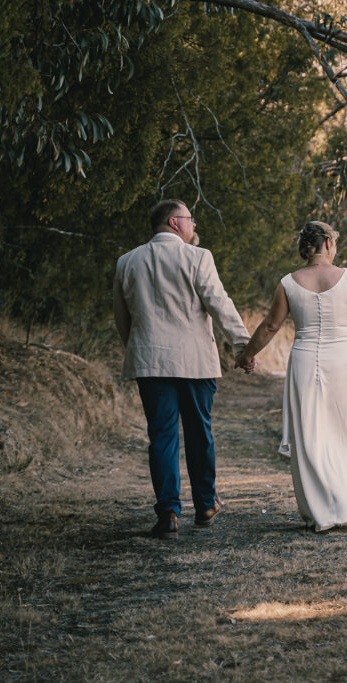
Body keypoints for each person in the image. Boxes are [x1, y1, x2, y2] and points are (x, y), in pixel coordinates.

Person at [236, 221, 347, 532]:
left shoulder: (288, 282)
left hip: (304, 359)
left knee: (312, 433)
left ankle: (324, 509)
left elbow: (271, 325)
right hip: (344, 360)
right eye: (334, 242)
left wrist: (247, 355)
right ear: (327, 242)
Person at [113, 199, 255, 539]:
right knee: (199, 432)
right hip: (194, 362)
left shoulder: (127, 261)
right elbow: (219, 303)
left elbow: (122, 318)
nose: (195, 226)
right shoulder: (198, 257)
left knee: (161, 437)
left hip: (150, 362)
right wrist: (243, 346)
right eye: (190, 219)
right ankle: (205, 504)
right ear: (175, 222)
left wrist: (138, 350)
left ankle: (168, 515)